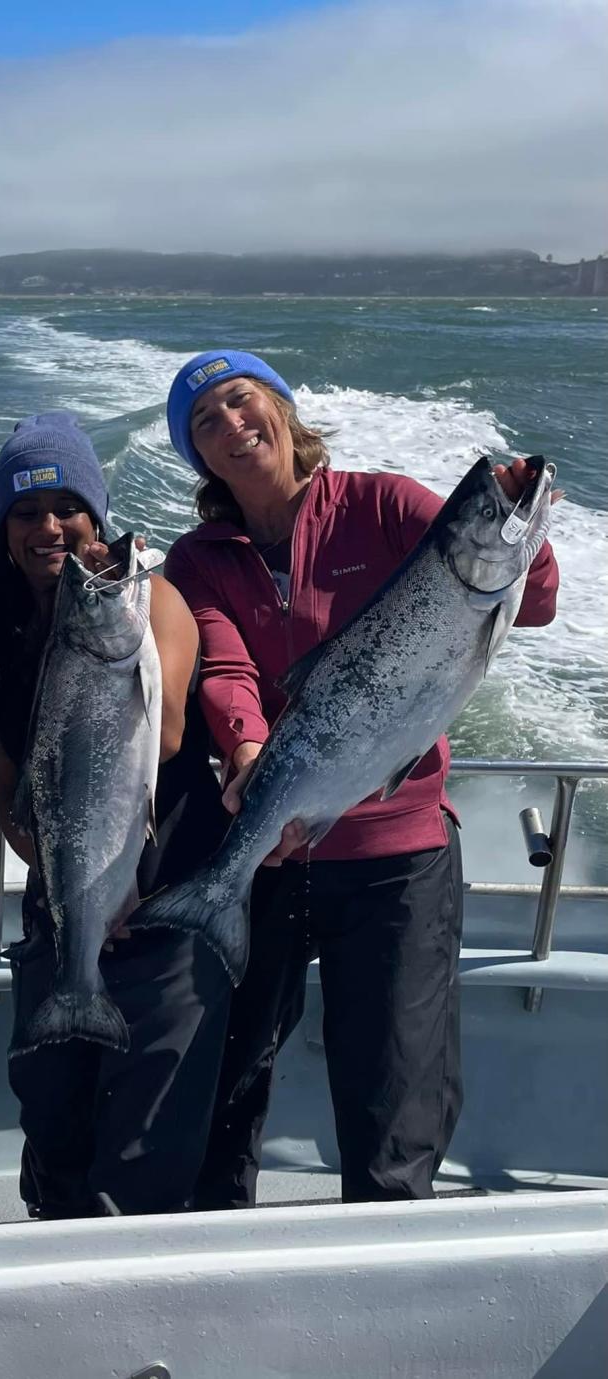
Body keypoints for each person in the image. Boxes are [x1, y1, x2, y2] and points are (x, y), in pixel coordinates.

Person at [163, 349, 560, 1206]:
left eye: (242, 401)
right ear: (194, 455)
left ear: (282, 409)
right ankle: (212, 1255)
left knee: (395, 1099)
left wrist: (525, 525)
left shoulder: (383, 504)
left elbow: (529, 601)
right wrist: (242, 749)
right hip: (275, 850)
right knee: (226, 1094)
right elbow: (225, 668)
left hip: (397, 858)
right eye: (205, 421)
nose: (231, 425)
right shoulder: (197, 559)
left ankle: (391, 1273)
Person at [0, 411, 232, 1219]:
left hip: (169, 923)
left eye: (68, 507)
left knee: (145, 1163)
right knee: (55, 1137)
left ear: (98, 517)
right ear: (4, 529)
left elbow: (164, 737)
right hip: (66, 921)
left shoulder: (149, 599)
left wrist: (99, 606)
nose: (49, 527)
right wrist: (75, 885)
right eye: (26, 512)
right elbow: (14, 804)